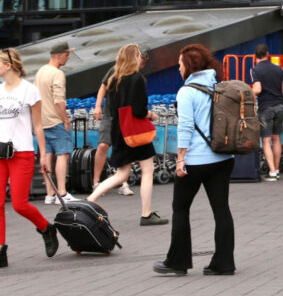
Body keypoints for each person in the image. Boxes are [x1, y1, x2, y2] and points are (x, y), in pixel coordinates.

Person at [154, 43, 235, 276]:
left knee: (180, 208)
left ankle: (177, 261)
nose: (178, 69)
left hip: (196, 161)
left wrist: (180, 159)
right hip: (222, 157)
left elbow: (186, 127)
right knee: (221, 209)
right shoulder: (220, 86)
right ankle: (224, 263)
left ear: (189, 66)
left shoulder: (187, 91)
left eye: (179, 64)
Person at [88, 44, 168, 226]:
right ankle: (146, 214)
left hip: (119, 131)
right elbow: (139, 110)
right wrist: (151, 115)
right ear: (133, 57)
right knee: (148, 170)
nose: (142, 58)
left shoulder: (115, 79)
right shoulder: (137, 79)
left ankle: (91, 199)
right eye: (140, 55)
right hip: (136, 132)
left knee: (122, 173)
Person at [0, 47, 59, 268]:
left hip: (21, 153)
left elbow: (37, 125)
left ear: (8, 65)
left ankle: (46, 227)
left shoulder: (29, 91)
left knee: (19, 204)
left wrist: (43, 154)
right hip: (0, 153)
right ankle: (1, 250)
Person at [92, 48, 148, 196]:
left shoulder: (139, 77)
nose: (141, 62)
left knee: (123, 149)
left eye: (143, 60)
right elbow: (103, 86)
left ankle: (122, 182)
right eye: (140, 58)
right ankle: (96, 182)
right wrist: (98, 106)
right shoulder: (115, 71)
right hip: (111, 115)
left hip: (125, 118)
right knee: (103, 145)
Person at [36, 41, 76, 203]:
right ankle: (62, 192)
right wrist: (65, 119)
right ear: (59, 56)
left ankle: (50, 194)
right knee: (63, 155)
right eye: (67, 55)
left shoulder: (40, 71)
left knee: (47, 155)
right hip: (56, 120)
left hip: (42, 121)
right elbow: (59, 100)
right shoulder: (57, 74)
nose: (68, 58)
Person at [250, 44, 283, 181]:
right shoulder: (278, 69)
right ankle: (276, 169)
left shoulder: (255, 70)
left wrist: (248, 92)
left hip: (266, 107)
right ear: (268, 54)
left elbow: (258, 89)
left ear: (255, 56)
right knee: (276, 139)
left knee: (266, 141)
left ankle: (271, 172)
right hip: (280, 106)